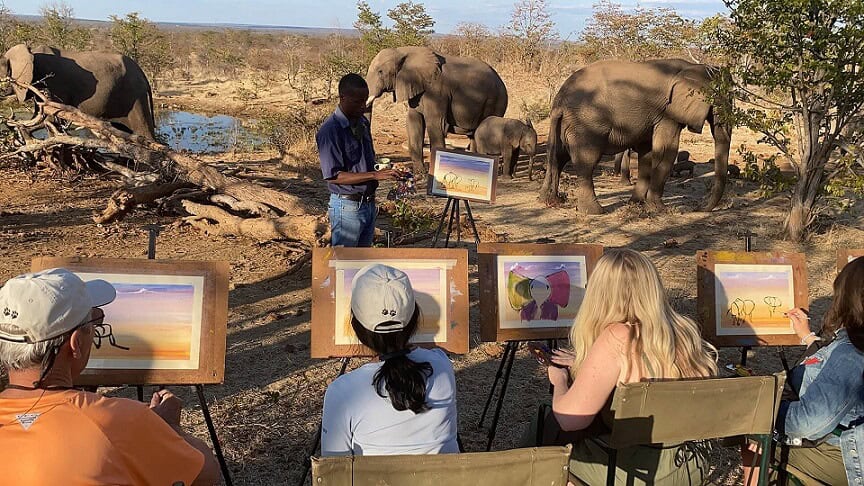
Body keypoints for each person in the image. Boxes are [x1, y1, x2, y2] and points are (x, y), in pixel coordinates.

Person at [0, 268, 220, 486]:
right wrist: (170, 428)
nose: (96, 329)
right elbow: (205, 475)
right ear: (76, 343)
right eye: (93, 323)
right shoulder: (121, 420)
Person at [545, 249, 718, 485]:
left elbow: (571, 419)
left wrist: (559, 381)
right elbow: (645, 368)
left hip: (640, 472)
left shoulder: (617, 335)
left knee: (544, 442)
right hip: (689, 465)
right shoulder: (682, 330)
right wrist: (586, 365)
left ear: (599, 292)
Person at [743, 257, 864, 485]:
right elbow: (831, 371)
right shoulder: (851, 347)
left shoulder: (851, 353)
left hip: (845, 457)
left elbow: (806, 423)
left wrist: (761, 409)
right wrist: (808, 338)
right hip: (850, 447)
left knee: (750, 435)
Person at [321, 264, 458, 455]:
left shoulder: (342, 391)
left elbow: (334, 468)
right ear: (414, 320)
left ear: (355, 326)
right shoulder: (441, 365)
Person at [317, 73, 400, 247]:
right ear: (343, 98)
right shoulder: (330, 131)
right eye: (357, 102)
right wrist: (374, 176)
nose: (363, 106)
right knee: (344, 266)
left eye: (365, 101)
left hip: (368, 204)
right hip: (347, 207)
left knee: (361, 266)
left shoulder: (362, 122)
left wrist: (387, 170)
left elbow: (363, 163)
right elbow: (334, 176)